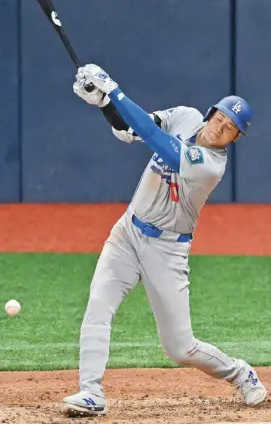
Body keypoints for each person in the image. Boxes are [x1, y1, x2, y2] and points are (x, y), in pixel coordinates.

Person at [63, 64, 267, 417]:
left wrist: (114, 90)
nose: (222, 126)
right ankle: (91, 392)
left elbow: (161, 144)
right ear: (212, 112)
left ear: (235, 138)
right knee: (98, 306)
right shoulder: (185, 116)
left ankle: (240, 373)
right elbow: (131, 129)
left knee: (180, 348)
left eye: (231, 128)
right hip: (128, 232)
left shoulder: (211, 165)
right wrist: (104, 104)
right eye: (221, 117)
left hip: (167, 250)